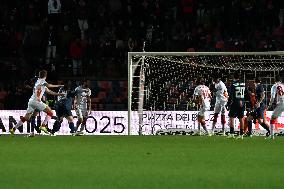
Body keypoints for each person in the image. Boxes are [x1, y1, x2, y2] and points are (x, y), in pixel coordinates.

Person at [9, 70, 64, 136]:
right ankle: (43, 126)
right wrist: (59, 85)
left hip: (31, 101)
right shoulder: (42, 81)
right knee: (51, 113)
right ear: (45, 76)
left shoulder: (39, 82)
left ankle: (14, 129)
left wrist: (59, 94)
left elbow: (49, 92)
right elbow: (49, 85)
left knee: (27, 117)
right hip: (36, 101)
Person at [227, 72, 249, 139]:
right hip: (242, 102)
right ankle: (241, 134)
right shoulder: (244, 84)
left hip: (235, 102)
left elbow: (231, 95)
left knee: (231, 117)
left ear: (234, 77)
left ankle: (231, 133)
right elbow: (247, 94)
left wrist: (228, 103)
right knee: (241, 118)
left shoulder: (233, 84)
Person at [267, 75, 284, 139]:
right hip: (281, 102)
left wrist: (270, 105)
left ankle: (271, 136)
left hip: (281, 104)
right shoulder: (283, 85)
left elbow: (272, 97)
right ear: (280, 80)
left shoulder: (274, 86)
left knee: (272, 118)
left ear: (274, 80)